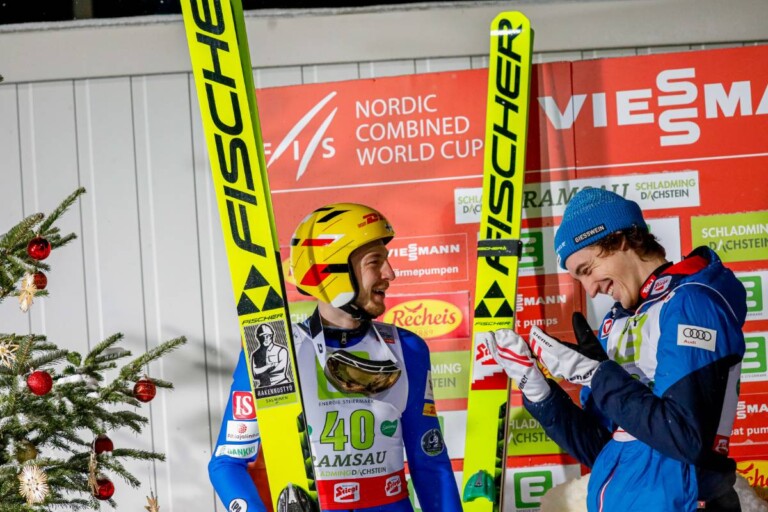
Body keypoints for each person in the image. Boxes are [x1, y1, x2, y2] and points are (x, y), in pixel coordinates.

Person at [482, 188, 746, 512]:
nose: (590, 290)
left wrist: (597, 374)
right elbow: (604, 449)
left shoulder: (691, 302)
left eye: (587, 270)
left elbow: (684, 437)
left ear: (619, 240)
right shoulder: (615, 322)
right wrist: (539, 391)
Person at [209, 203, 461, 512]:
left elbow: (430, 461)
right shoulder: (276, 352)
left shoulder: (407, 348)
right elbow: (227, 463)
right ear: (333, 271)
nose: (390, 274)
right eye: (375, 262)